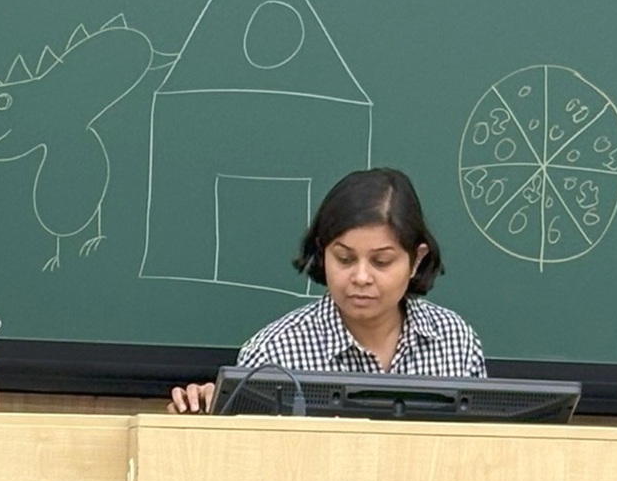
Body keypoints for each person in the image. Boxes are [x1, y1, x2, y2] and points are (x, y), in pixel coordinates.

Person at [169, 167, 484, 412]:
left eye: (381, 262)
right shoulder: (272, 355)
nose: (361, 277)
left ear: (416, 260)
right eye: (345, 259)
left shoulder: (455, 341)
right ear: (323, 254)